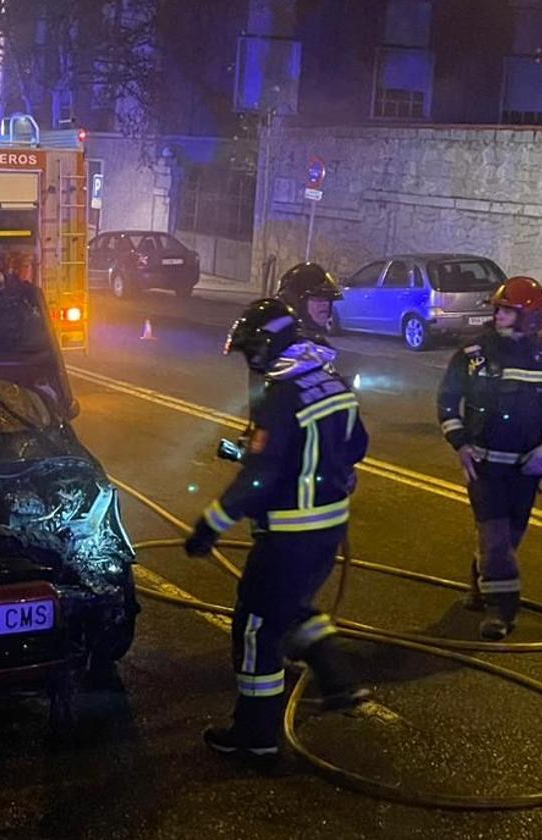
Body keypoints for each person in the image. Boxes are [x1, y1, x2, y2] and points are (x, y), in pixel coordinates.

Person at [185, 297, 370, 768]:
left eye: (250, 350)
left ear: (266, 345)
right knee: (292, 608)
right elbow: (357, 445)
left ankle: (254, 736)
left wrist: (212, 524)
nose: (250, 360)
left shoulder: (279, 394)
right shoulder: (331, 383)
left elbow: (260, 477)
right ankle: (339, 680)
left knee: (255, 629)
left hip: (288, 534)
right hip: (328, 530)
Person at [436, 276, 542, 641]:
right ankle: (501, 613)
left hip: (525, 471)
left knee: (506, 542)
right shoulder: (473, 354)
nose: (498, 315)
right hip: (484, 469)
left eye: (507, 310)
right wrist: (460, 444)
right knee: (496, 539)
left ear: (530, 316)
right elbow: (446, 402)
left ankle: (481, 585)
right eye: (498, 309)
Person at [275, 262, 344, 343]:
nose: (325, 304)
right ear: (297, 303)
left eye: (328, 299)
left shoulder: (318, 345)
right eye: (318, 298)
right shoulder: (280, 344)